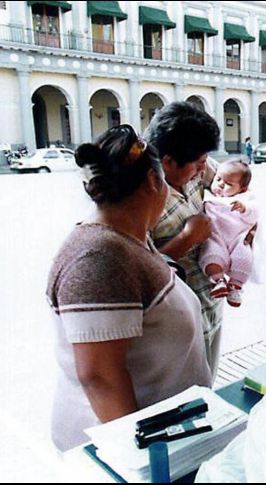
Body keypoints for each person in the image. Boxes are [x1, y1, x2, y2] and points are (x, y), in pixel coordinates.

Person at [46, 125, 211, 451]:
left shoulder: (130, 238)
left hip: (167, 434)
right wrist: (141, 459)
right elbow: (99, 377)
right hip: (119, 451)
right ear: (153, 181)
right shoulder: (97, 259)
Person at [144, 101, 226, 377]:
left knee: (208, 390)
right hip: (174, 329)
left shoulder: (197, 165)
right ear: (167, 161)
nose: (206, 168)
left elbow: (232, 185)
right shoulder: (138, 196)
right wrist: (187, 238)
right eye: (199, 163)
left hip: (211, 307)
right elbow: (138, 270)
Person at [201, 159, 259, 308]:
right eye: (218, 179)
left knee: (244, 257)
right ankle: (219, 281)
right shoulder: (207, 195)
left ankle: (235, 286)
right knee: (211, 255)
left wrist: (244, 209)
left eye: (228, 184)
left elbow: (255, 214)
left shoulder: (244, 199)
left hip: (237, 238)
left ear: (242, 189)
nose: (220, 184)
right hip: (216, 237)